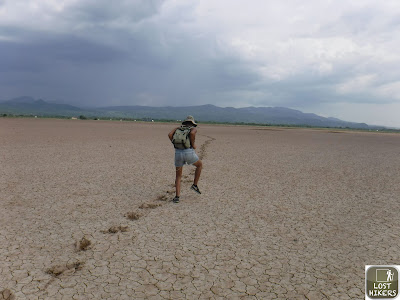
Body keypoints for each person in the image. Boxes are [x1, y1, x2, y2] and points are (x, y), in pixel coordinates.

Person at [168, 115, 202, 203]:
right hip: (188, 152)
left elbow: (170, 134)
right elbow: (192, 133)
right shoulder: (192, 129)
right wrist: (193, 144)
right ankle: (194, 185)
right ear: (192, 123)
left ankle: (177, 197)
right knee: (199, 165)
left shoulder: (178, 129)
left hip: (178, 153)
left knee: (178, 175)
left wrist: (174, 143)